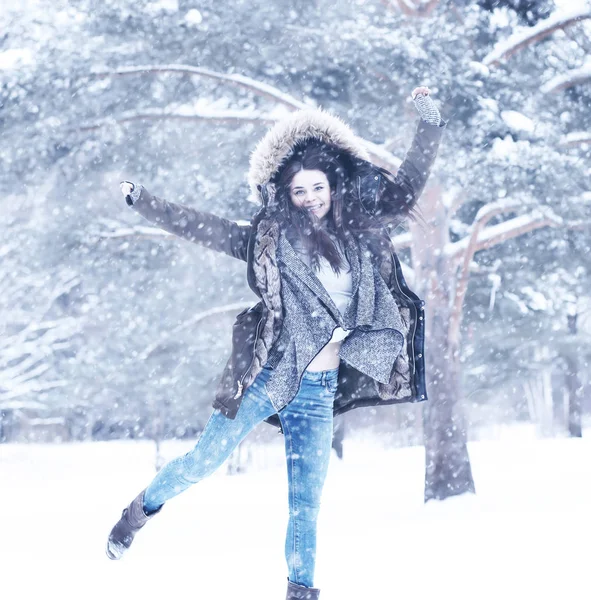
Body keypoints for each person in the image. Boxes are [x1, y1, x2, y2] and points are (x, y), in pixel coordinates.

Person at [106, 87, 447, 600]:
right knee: (202, 461)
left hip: (318, 390)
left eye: (317, 188)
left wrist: (430, 125)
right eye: (299, 192)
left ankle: (300, 591)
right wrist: (145, 202)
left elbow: (406, 188)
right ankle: (137, 513)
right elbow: (203, 226)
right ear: (285, 195)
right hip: (267, 377)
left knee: (305, 505)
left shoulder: (359, 235)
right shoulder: (268, 239)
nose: (310, 198)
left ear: (333, 186)